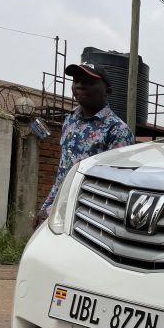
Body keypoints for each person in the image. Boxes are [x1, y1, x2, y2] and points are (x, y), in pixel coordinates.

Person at [34, 62, 135, 227]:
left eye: (89, 82)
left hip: (88, 218)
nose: (80, 86)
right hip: (58, 211)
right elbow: (63, 173)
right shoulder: (70, 120)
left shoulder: (117, 131)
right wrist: (47, 207)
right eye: (76, 81)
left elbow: (115, 189)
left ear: (107, 90)